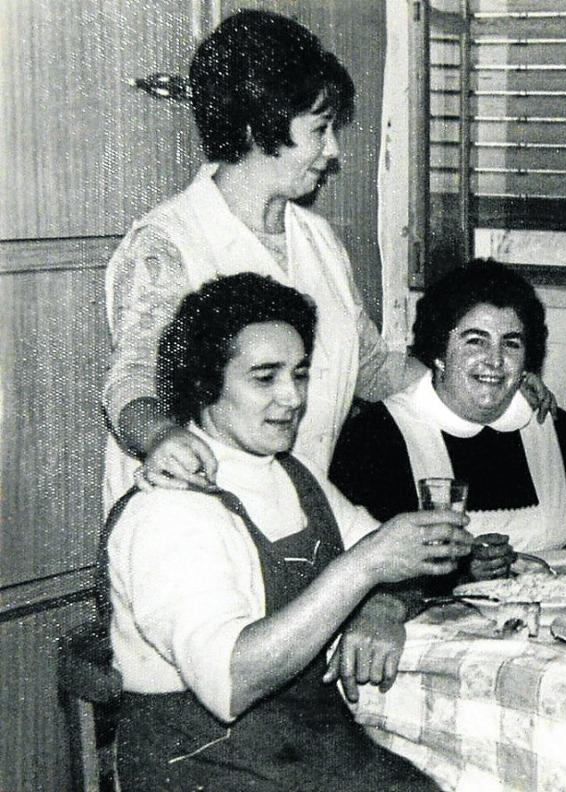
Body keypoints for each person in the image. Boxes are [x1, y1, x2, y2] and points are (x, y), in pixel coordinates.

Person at [102, 9, 551, 507]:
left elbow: (371, 366)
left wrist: (480, 379)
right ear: (258, 127)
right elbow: (132, 379)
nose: (333, 150)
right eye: (319, 129)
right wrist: (161, 435)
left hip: (295, 511)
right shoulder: (170, 241)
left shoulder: (317, 240)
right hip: (193, 513)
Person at [106, 273, 469, 790]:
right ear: (207, 382)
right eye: (264, 377)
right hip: (204, 765)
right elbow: (231, 682)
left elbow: (398, 562)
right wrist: (363, 569)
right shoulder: (172, 510)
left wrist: (381, 605)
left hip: (306, 746)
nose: (292, 398)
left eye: (299, 375)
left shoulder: (290, 473)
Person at [330, 261, 566, 564]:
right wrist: (460, 574)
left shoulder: (546, 422)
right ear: (439, 350)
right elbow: (362, 564)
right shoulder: (375, 437)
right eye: (476, 341)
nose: (495, 360)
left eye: (511, 344)